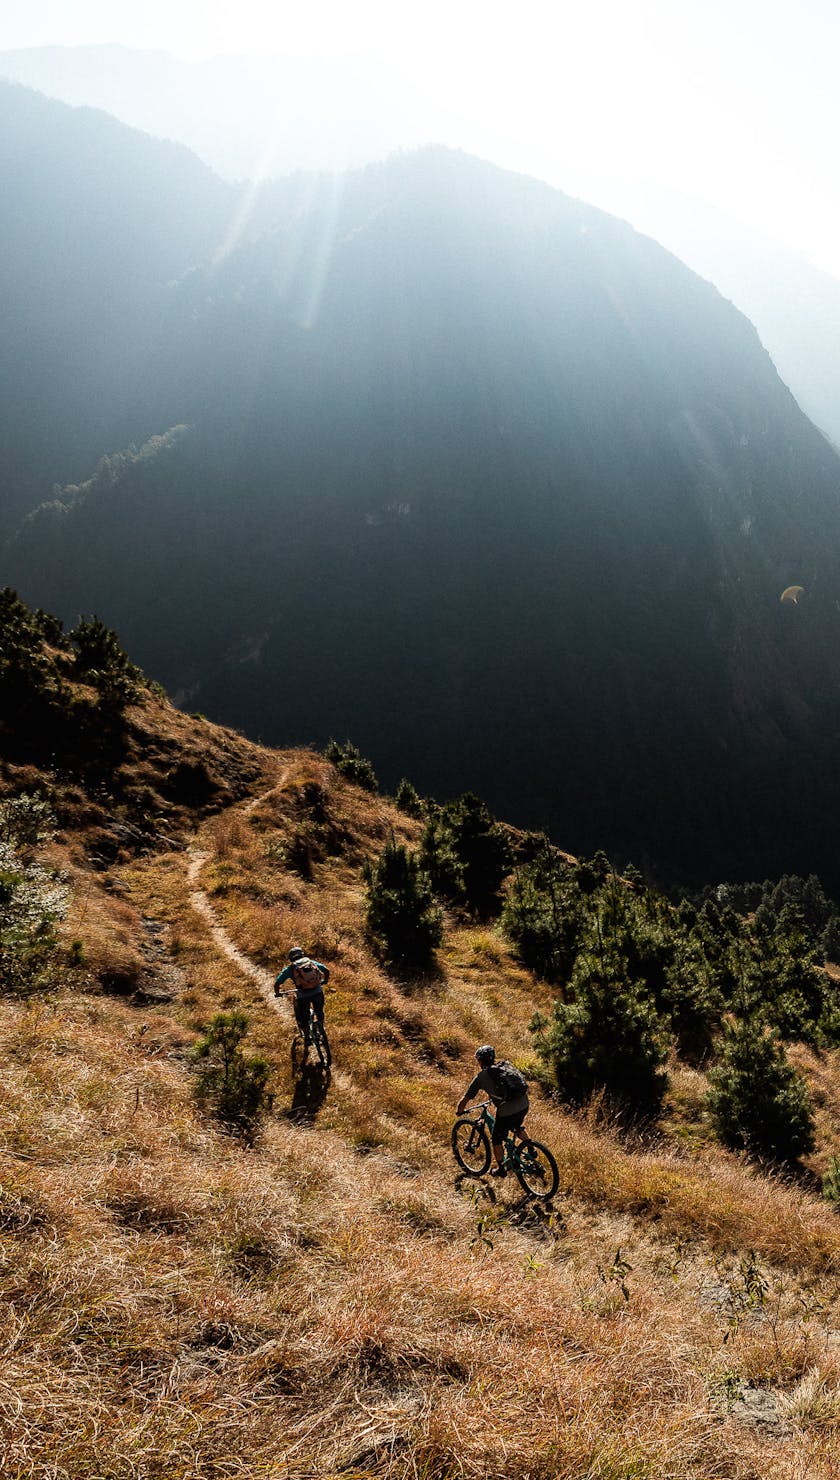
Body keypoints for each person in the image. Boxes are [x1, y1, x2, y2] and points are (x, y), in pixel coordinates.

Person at [456, 1044, 530, 1176]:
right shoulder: (505, 1065)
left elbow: (466, 1098)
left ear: (481, 1060)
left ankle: (501, 1168)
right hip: (524, 1103)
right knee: (516, 1126)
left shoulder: (481, 1077)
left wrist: (460, 1110)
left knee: (496, 1139)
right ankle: (531, 1149)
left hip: (508, 1109)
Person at [274, 946, 330, 1047]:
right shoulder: (311, 962)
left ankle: (307, 1038)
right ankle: (321, 1030)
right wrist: (325, 981)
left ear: (291, 958)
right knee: (319, 1011)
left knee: (303, 1017)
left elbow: (277, 983)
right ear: (302, 954)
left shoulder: (290, 969)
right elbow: (326, 970)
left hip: (303, 995)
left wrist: (277, 993)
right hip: (318, 992)